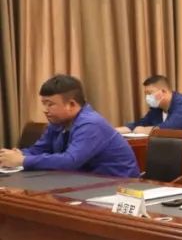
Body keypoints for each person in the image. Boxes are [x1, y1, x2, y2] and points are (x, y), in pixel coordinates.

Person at [0, 75, 140, 177]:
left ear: (71, 104)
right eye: (44, 104)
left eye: (50, 104)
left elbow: (70, 161)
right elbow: (39, 149)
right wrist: (15, 156)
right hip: (82, 182)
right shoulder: (57, 122)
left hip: (117, 186)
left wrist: (23, 160)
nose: (45, 110)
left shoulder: (91, 124)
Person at [118, 75, 182, 134]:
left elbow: (168, 128)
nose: (147, 97)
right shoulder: (157, 109)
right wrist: (116, 131)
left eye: (150, 93)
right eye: (146, 94)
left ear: (164, 91)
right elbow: (140, 124)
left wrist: (144, 130)